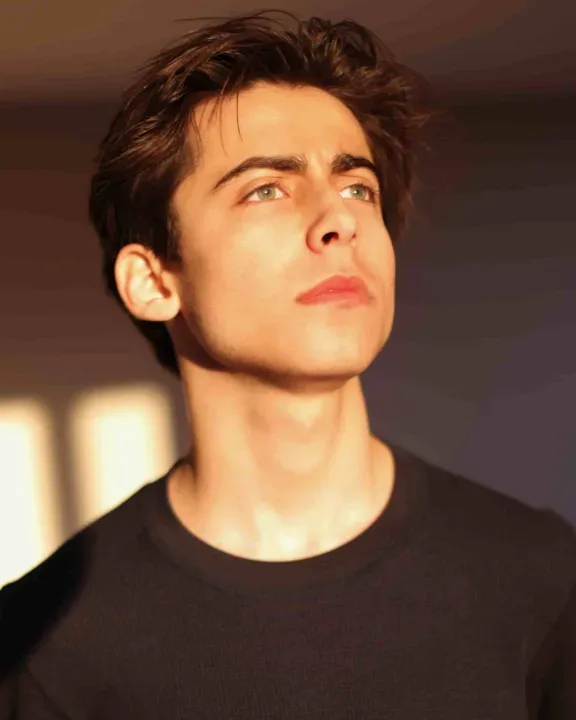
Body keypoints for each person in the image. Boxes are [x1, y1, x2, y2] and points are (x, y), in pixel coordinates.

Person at [1, 10, 574, 719]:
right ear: (153, 282)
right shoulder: (45, 655)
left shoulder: (542, 577)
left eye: (358, 187)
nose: (340, 220)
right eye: (266, 189)